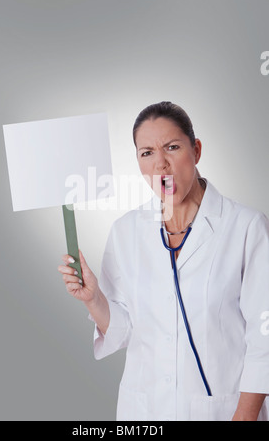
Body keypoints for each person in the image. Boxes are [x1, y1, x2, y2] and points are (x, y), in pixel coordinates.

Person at [58, 101, 269, 421]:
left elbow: (264, 334)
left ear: (196, 150)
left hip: (222, 411)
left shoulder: (246, 227)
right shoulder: (126, 231)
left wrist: (245, 416)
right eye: (147, 153)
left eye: (172, 147)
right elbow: (124, 330)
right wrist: (94, 299)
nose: (161, 164)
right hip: (144, 410)